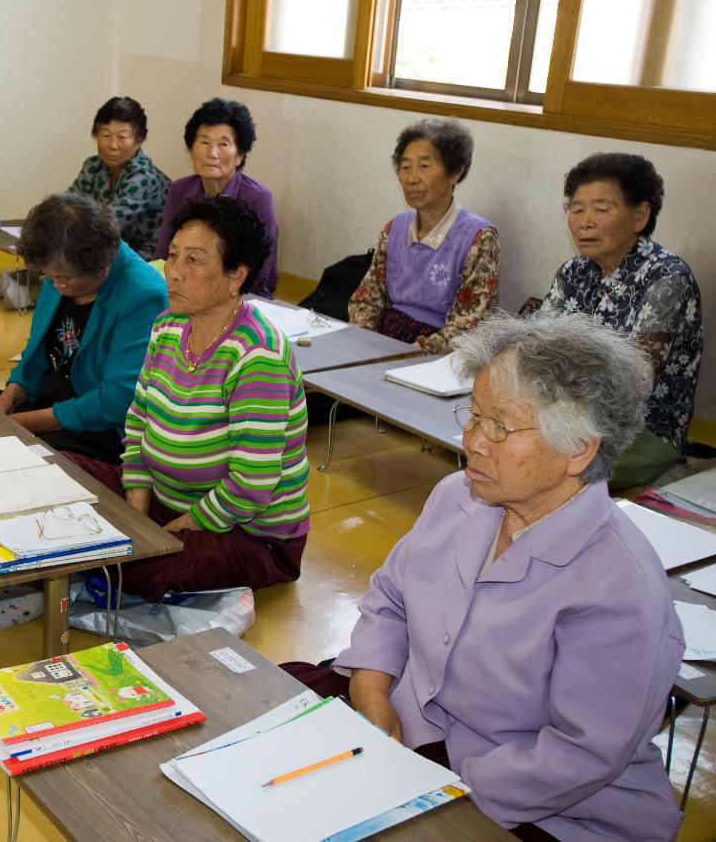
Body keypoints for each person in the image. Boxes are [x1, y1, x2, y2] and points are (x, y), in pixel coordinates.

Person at [282, 312, 684, 842]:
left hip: (531, 799)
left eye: (499, 427)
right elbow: (392, 599)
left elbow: (580, 754)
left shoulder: (620, 591)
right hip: (410, 724)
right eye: (472, 416)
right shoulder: (459, 496)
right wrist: (371, 689)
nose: (473, 441)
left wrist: (428, 786)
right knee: (263, 709)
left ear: (579, 449)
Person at [67, 196, 309, 600]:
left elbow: (251, 487)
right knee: (58, 473)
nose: (173, 273)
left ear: (236, 274)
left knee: (139, 567)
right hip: (163, 502)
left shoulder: (257, 355)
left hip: (244, 533)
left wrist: (161, 537)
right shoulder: (168, 326)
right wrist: (136, 515)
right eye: (173, 256)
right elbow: (138, 425)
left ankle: (78, 576)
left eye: (193, 261)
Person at [540, 152, 702, 489]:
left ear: (640, 215)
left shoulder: (667, 279)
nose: (585, 221)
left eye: (601, 209)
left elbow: (633, 383)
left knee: (539, 468)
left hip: (640, 434)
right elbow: (538, 351)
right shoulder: (574, 271)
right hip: (568, 416)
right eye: (576, 208)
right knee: (493, 443)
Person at [0, 194, 166, 462]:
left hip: (97, 423)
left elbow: (116, 402)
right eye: (49, 275)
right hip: (49, 398)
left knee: (28, 464)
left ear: (101, 264)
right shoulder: (58, 265)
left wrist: (24, 422)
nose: (54, 283)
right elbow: (36, 352)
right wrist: (9, 397)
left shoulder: (142, 295)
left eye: (63, 278)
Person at [348, 118, 499, 354]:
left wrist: (418, 351)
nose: (411, 178)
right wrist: (369, 345)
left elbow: (470, 323)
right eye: (405, 167)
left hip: (435, 356)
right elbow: (366, 299)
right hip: (383, 346)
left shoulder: (479, 238)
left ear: (455, 173)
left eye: (425, 166)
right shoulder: (394, 228)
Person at [154, 98, 279, 298]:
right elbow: (163, 255)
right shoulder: (179, 189)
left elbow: (259, 276)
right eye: (204, 142)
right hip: (184, 290)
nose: (212, 153)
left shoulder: (257, 197)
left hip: (240, 297)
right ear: (191, 149)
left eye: (223, 144)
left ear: (239, 155)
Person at [67, 96, 171, 260]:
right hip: (111, 246)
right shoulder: (93, 165)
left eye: (122, 137)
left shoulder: (143, 176)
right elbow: (68, 204)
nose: (113, 145)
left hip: (147, 256)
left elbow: (106, 224)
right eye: (106, 135)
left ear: (139, 140)